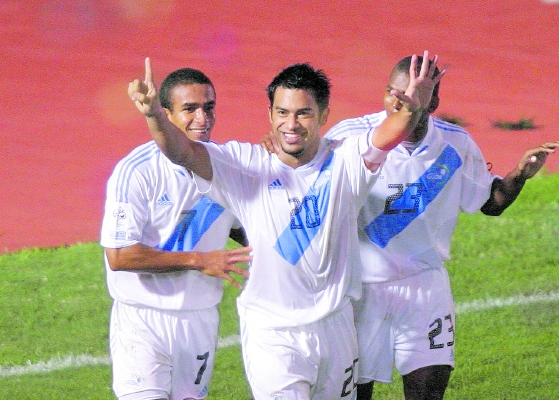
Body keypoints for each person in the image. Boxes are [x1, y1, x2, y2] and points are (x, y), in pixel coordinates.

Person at [127, 52, 444, 399]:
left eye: (303, 113)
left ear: (323, 115)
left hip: (335, 328)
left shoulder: (345, 160)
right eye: (282, 112)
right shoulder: (244, 165)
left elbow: (388, 133)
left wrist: (414, 108)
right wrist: (156, 116)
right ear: (270, 114)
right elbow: (182, 152)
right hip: (273, 337)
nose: (291, 124)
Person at [323, 55, 559, 400]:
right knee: (355, 394)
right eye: (393, 91)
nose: (399, 100)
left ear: (433, 101)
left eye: (414, 93)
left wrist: (519, 174)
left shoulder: (455, 144)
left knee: (428, 393)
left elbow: (490, 203)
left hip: (425, 288)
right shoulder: (348, 137)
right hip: (360, 289)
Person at [100, 67, 253, 400]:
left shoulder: (227, 167)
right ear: (165, 114)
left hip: (198, 320)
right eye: (190, 109)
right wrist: (199, 260)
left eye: (209, 107)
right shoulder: (136, 171)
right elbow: (120, 255)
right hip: (143, 320)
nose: (203, 118)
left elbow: (253, 230)